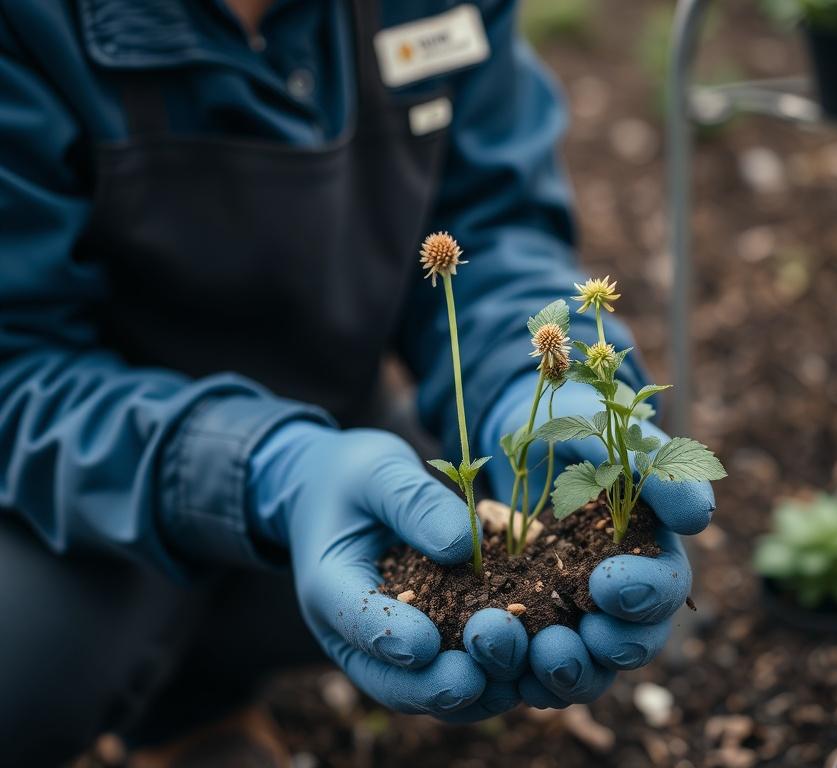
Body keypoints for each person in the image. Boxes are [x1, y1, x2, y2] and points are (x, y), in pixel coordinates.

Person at [0, 0, 716, 764]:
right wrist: (266, 472)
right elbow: (15, 360)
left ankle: (203, 685)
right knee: (22, 671)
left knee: (453, 582)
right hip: (80, 470)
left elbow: (492, 221)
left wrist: (530, 385)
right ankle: (171, 693)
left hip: (335, 428)